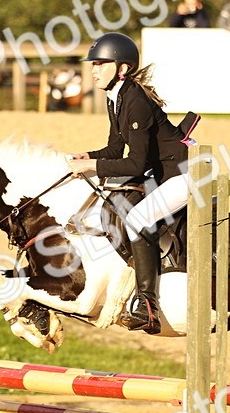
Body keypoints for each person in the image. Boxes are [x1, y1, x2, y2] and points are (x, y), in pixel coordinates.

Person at [66, 32, 190, 334]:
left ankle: (148, 306)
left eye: (100, 64)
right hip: (163, 176)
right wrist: (88, 156)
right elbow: (114, 149)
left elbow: (135, 163)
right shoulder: (117, 97)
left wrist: (92, 166)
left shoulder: (134, 101)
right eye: (92, 64)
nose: (93, 70)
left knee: (138, 217)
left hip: (185, 175)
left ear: (121, 68)